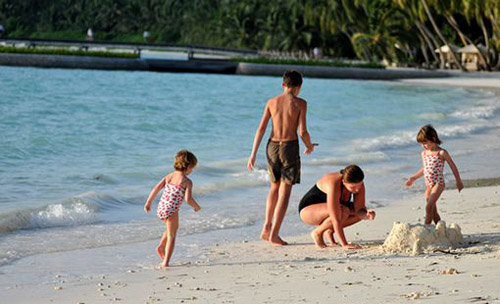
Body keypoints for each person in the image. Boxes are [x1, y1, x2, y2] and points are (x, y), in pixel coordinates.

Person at [247, 70, 317, 246]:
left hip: (271, 146)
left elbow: (261, 129)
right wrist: (309, 146)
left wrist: (253, 154)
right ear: (299, 87)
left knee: (273, 188)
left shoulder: (272, 102)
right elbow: (303, 132)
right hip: (289, 147)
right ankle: (275, 234)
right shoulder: (301, 103)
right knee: (284, 192)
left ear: (283, 85)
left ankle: (266, 228)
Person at [144, 149, 201, 267]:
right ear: (188, 166)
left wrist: (148, 202)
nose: (192, 171)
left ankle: (160, 246)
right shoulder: (187, 181)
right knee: (172, 236)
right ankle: (166, 262)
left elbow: (156, 188)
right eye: (192, 168)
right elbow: (188, 199)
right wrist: (196, 207)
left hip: (161, 208)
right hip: (172, 210)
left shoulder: (169, 176)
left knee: (171, 228)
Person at [299, 164, 375, 249]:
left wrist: (367, 215)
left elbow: (359, 210)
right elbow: (335, 217)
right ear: (344, 182)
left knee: (358, 214)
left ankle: (330, 231)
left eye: (359, 186)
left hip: (332, 209)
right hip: (308, 210)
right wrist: (344, 244)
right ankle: (318, 233)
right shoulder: (334, 183)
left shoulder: (358, 184)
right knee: (343, 210)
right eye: (352, 187)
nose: (357, 190)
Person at [405, 125, 464, 225]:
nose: (423, 146)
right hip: (428, 185)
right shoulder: (424, 153)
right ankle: (440, 230)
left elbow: (453, 166)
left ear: (433, 139)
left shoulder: (441, 153)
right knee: (433, 211)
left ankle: (426, 228)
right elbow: (425, 168)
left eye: (425, 143)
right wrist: (413, 178)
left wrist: (458, 181)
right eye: (421, 144)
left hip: (438, 183)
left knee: (428, 207)